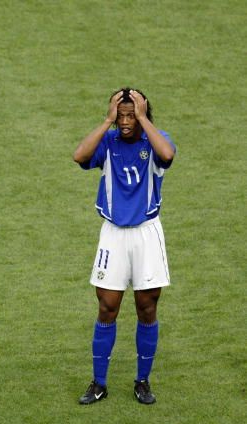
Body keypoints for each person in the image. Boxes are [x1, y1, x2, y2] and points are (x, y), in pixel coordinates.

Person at [73, 87, 176, 405]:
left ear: (144, 114)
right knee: (107, 306)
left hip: (147, 233)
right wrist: (107, 121)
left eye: (132, 114)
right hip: (113, 235)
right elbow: (79, 155)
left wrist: (144, 120)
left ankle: (143, 381)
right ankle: (98, 382)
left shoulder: (156, 141)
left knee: (147, 307)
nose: (126, 121)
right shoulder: (108, 141)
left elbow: (168, 156)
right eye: (122, 114)